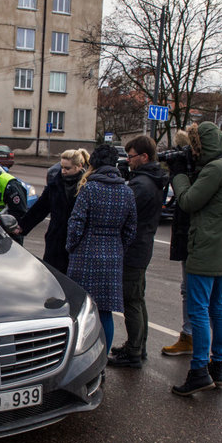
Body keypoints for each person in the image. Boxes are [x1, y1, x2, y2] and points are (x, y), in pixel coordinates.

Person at [167, 122, 222, 396]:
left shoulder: (215, 169)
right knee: (217, 306)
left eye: (195, 147)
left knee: (198, 309)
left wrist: (178, 174)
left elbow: (188, 201)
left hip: (205, 247)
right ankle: (217, 366)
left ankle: (199, 370)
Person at [66, 144, 137, 353]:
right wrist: (117, 248)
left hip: (85, 255)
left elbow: (76, 224)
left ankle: (83, 357)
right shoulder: (127, 191)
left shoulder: (89, 188)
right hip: (113, 256)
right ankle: (102, 358)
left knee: (82, 310)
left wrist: (71, 247)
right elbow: (131, 229)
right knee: (105, 312)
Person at [108, 136, 166, 368]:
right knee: (137, 299)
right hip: (142, 246)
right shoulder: (150, 179)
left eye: (131, 156)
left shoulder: (142, 185)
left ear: (144, 157)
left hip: (133, 249)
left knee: (131, 300)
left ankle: (133, 352)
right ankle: (137, 346)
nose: (128, 160)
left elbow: (123, 213)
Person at [17, 149, 89, 273]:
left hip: (77, 242)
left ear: (79, 167)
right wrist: (22, 226)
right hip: (55, 239)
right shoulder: (55, 184)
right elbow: (40, 208)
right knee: (52, 275)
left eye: (67, 168)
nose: (63, 171)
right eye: (62, 167)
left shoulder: (87, 187)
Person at [161, 130, 194, 357]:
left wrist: (179, 173)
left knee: (197, 293)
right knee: (190, 291)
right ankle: (191, 336)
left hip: (196, 239)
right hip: (189, 235)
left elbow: (188, 200)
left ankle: (195, 339)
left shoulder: (201, 171)